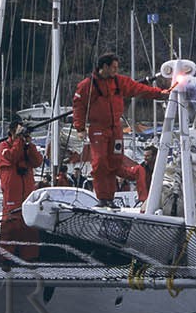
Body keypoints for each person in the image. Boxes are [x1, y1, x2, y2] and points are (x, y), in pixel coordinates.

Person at [72, 52, 169, 205]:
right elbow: (78, 106)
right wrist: (80, 128)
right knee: (100, 163)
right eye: (114, 67)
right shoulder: (87, 85)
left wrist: (159, 94)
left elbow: (138, 89)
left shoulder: (119, 81)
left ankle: (110, 199)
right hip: (98, 128)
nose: (116, 70)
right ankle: (103, 198)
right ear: (104, 67)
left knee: (115, 162)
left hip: (116, 128)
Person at [0, 120, 44, 263]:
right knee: (10, 225)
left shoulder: (25, 146)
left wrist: (29, 144)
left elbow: (37, 161)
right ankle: (6, 258)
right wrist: (18, 139)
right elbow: (13, 156)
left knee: (29, 224)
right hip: (12, 191)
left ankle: (30, 256)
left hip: (26, 190)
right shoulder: (4, 146)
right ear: (12, 132)